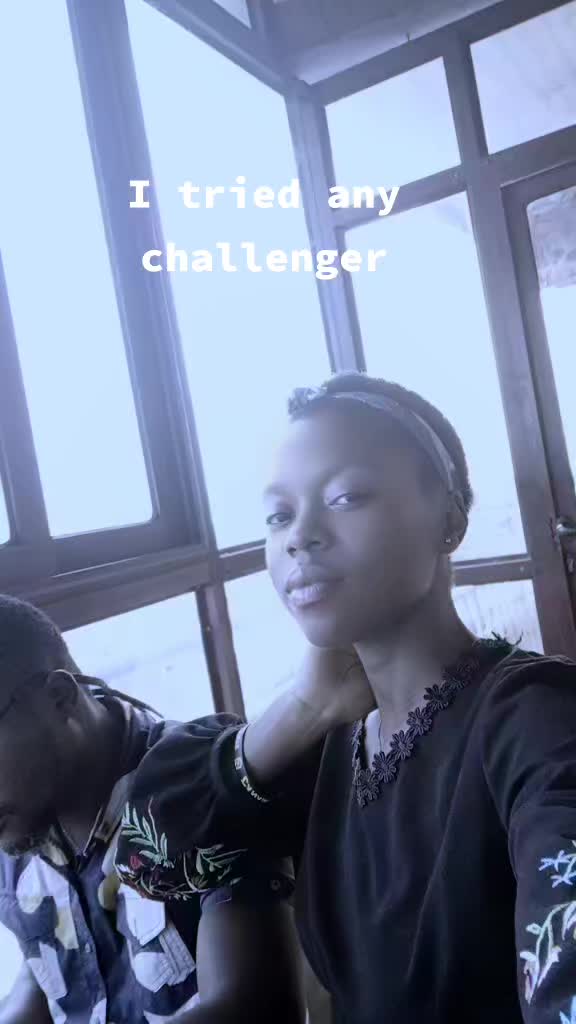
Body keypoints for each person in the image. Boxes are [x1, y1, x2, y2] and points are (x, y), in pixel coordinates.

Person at [115, 371, 576, 1024]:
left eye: (346, 497)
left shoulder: (536, 720)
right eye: (279, 515)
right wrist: (302, 708)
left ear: (449, 520)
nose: (299, 536)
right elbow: (145, 858)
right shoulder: (325, 752)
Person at [0, 595, 304, 1024]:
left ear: (59, 698)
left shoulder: (200, 783)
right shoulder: (18, 822)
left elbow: (254, 1008)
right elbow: (49, 971)